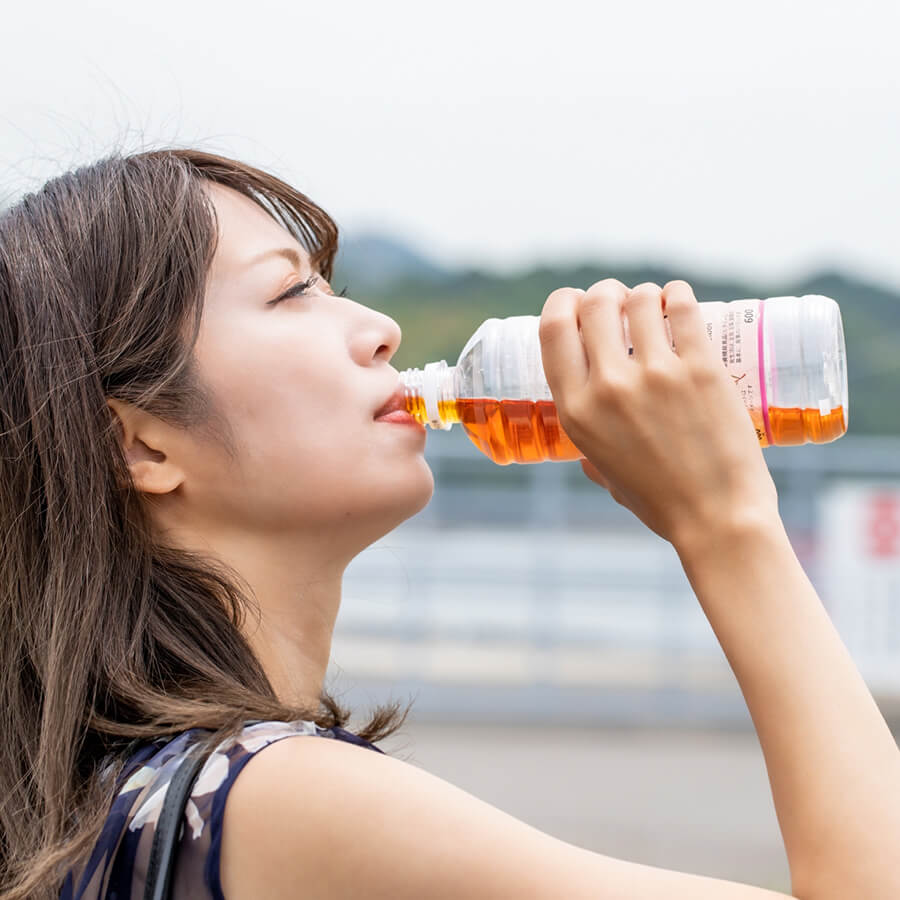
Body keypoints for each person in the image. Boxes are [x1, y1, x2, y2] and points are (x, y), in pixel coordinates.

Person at [0, 148, 896, 900]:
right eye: (290, 295)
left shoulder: (116, 803)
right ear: (143, 446)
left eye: (332, 287)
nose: (382, 329)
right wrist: (728, 522)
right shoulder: (281, 803)